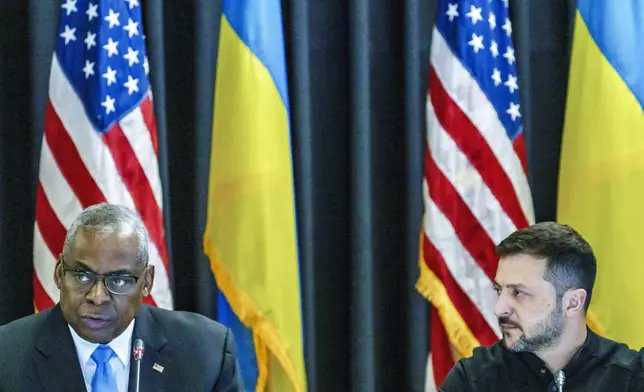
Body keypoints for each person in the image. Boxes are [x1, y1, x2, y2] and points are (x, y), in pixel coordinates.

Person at [0, 203, 243, 392]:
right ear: (59, 274)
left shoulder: (205, 352)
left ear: (146, 281)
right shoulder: (7, 357)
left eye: (118, 280)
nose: (97, 297)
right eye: (82, 276)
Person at [439, 221, 644, 391]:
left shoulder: (631, 379)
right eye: (499, 290)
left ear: (572, 303)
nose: (499, 308)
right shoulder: (474, 379)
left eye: (519, 293)